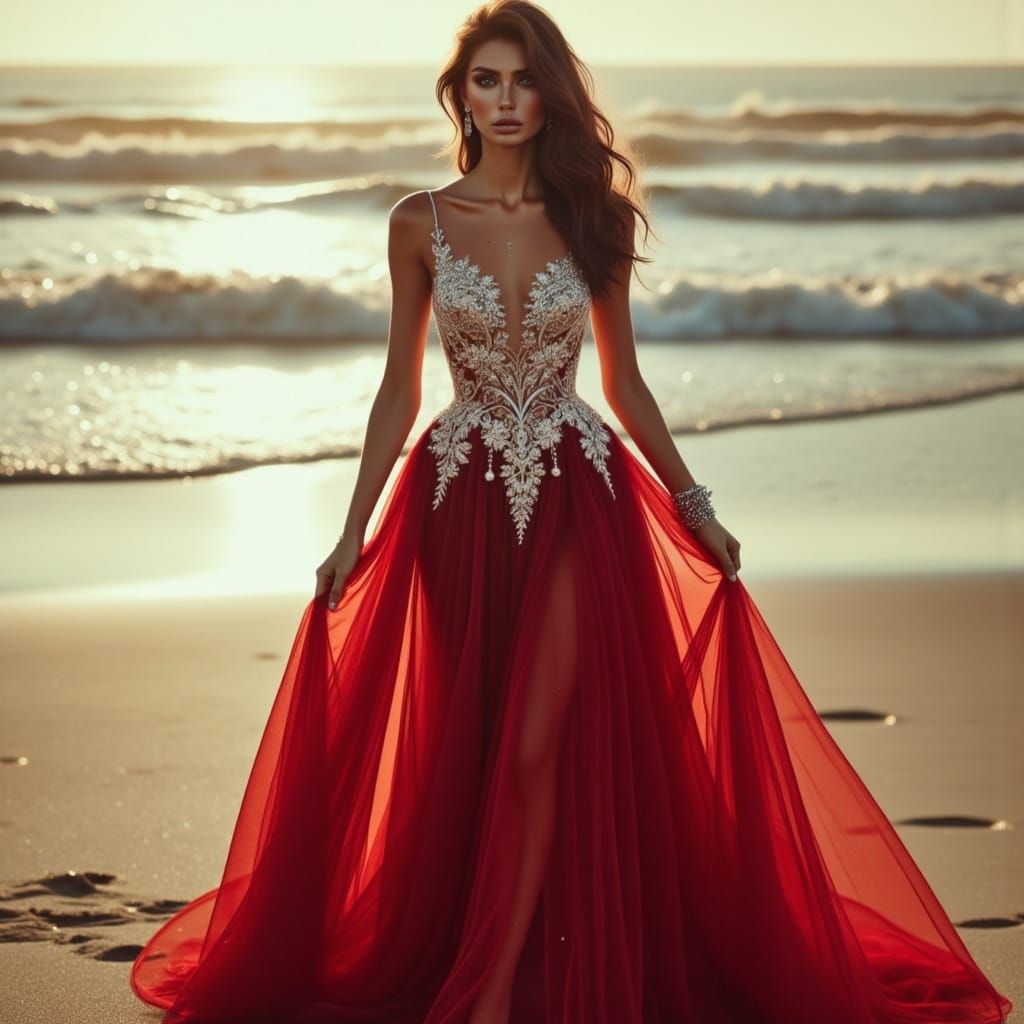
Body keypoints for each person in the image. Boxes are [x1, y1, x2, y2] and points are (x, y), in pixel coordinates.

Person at [130, 3, 1013, 1022]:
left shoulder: (590, 218)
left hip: (578, 497)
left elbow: (627, 387)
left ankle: (498, 987)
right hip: (452, 505)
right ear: (460, 94)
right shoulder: (415, 221)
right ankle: (491, 938)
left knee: (544, 734)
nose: (505, 101)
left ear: (550, 94)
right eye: (486, 81)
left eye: (523, 81)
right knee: (479, 740)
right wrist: (350, 529)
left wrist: (694, 504)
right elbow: (396, 392)